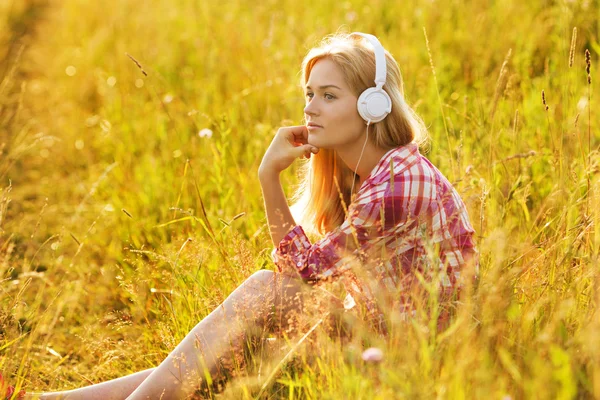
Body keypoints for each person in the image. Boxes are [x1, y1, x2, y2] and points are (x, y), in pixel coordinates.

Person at [16, 31, 477, 399]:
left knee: (261, 296)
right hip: (380, 339)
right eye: (310, 93)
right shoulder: (372, 172)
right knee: (227, 353)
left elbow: (301, 273)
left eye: (329, 96)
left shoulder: (397, 185)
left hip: (411, 362)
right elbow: (305, 278)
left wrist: (268, 177)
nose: (310, 108)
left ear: (372, 106)